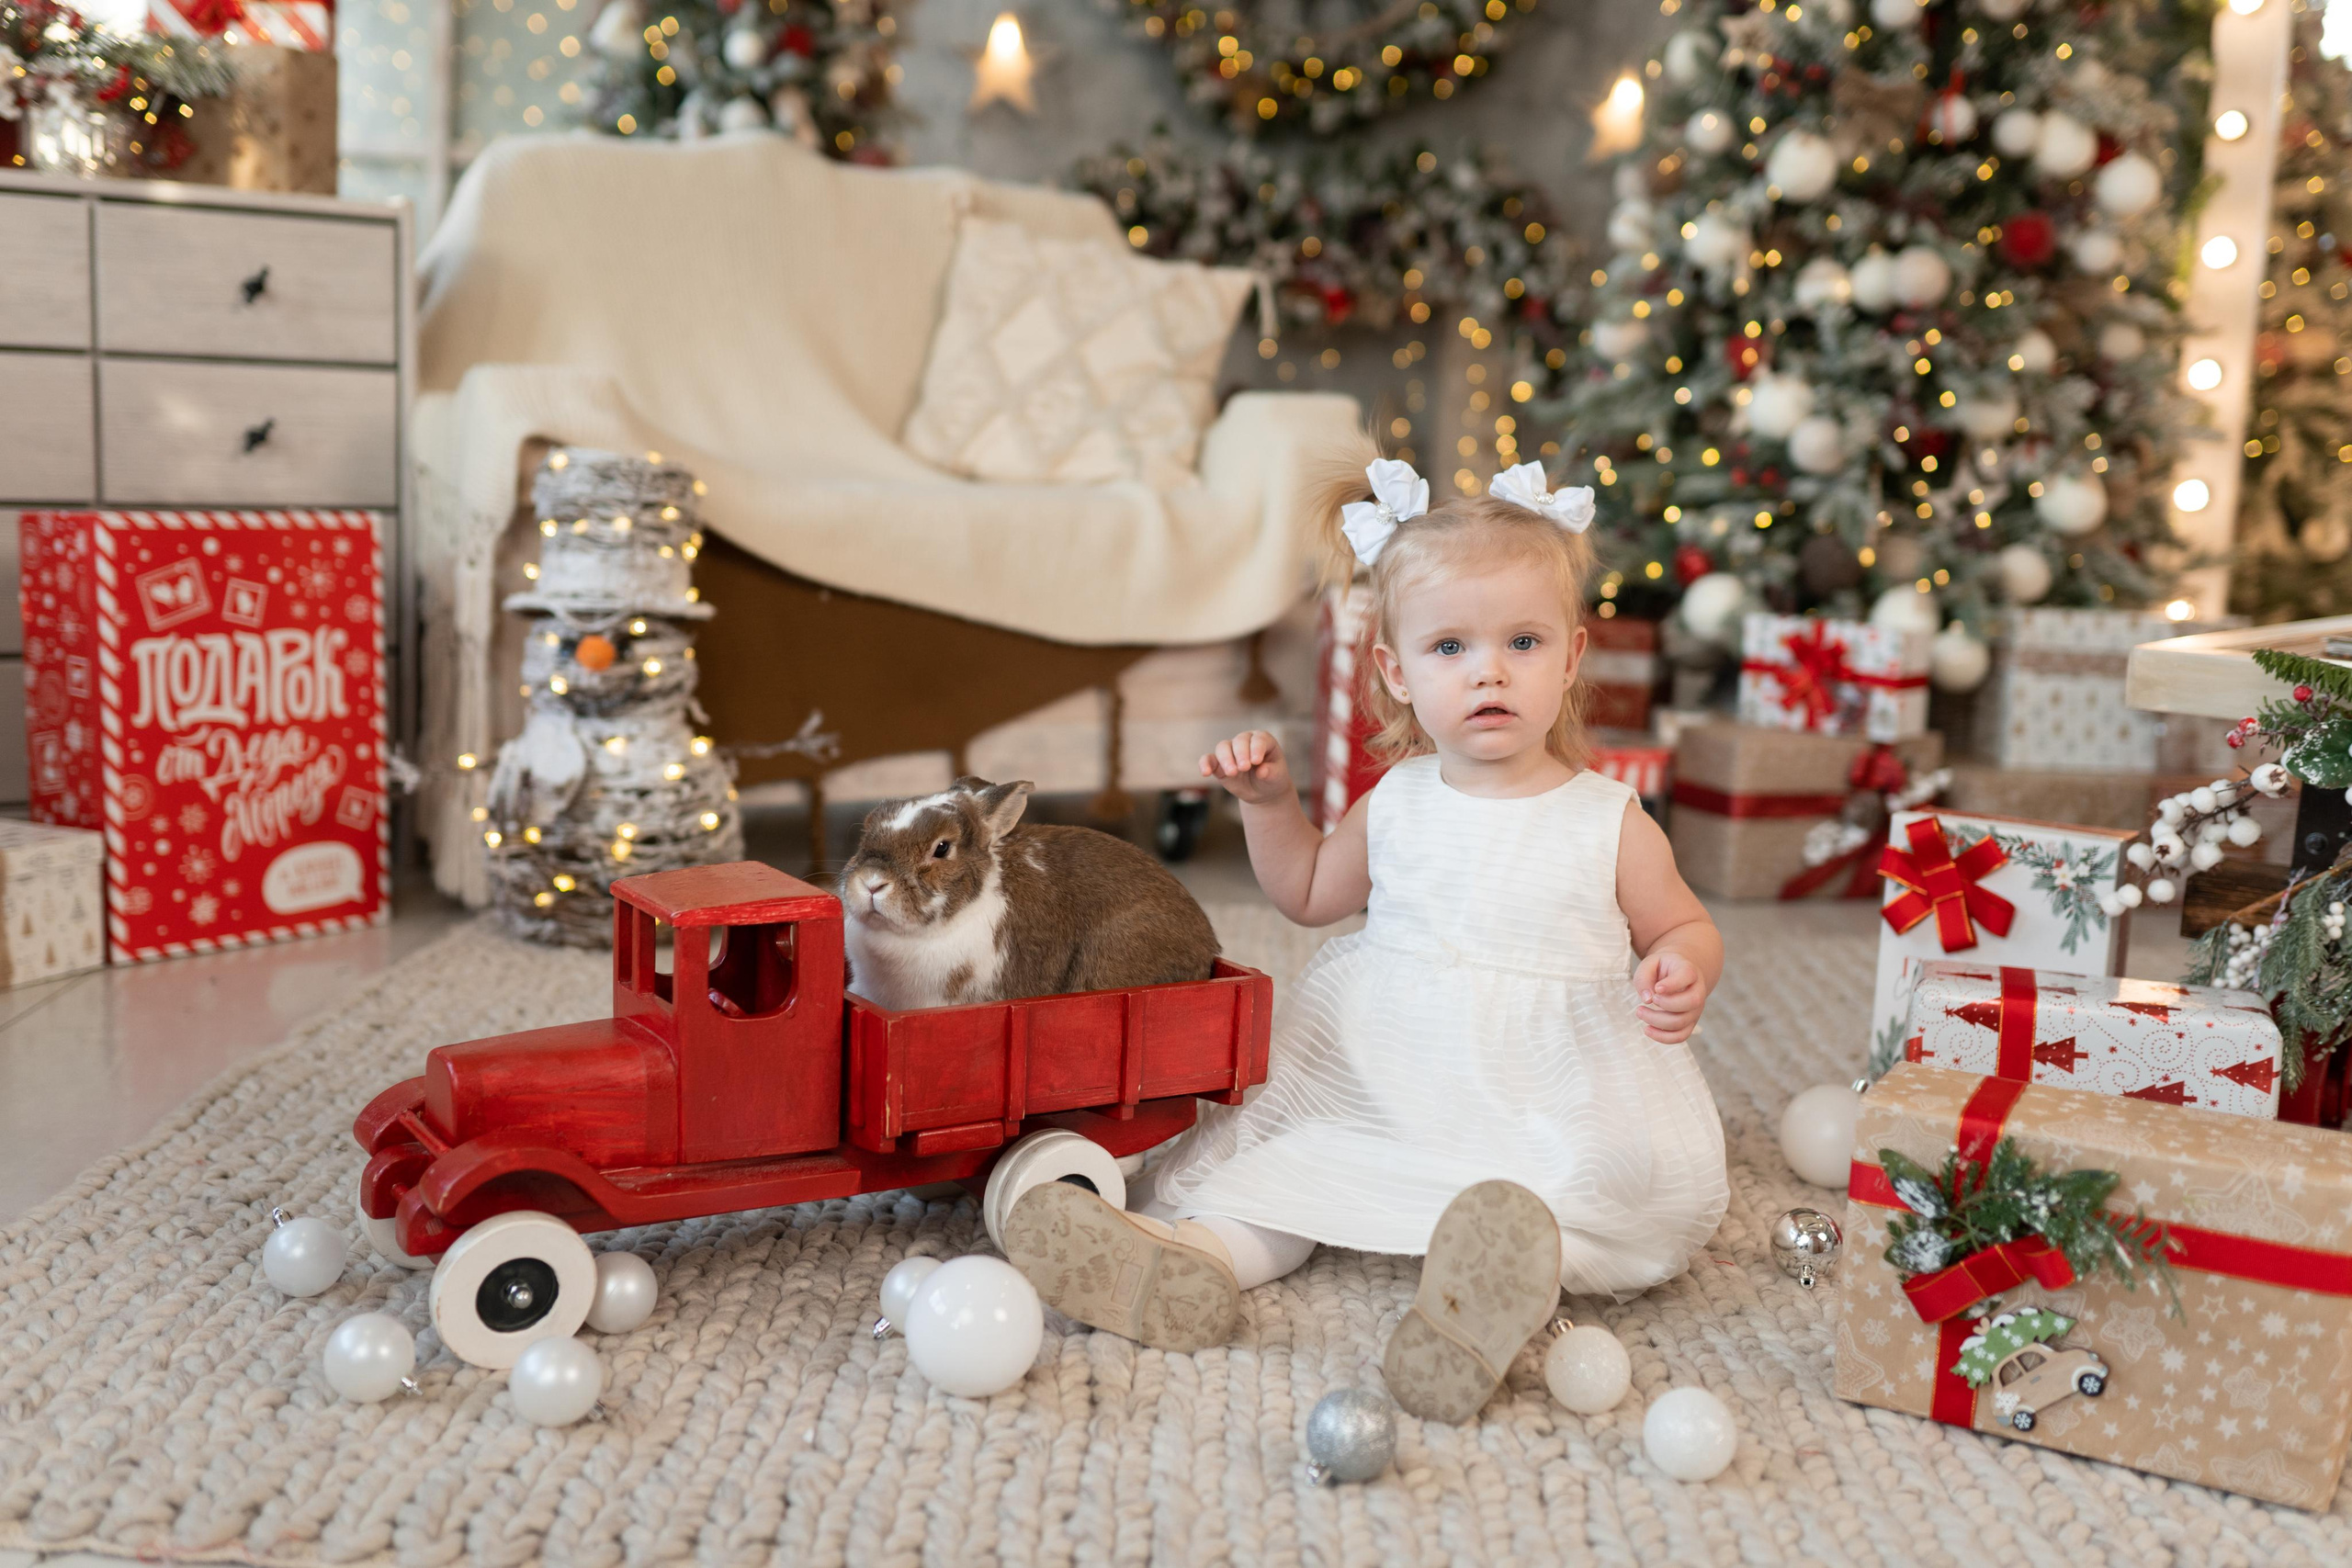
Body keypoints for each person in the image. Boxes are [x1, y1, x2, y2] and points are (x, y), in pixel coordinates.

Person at [1001, 440, 1728, 1423]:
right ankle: (1192, 1262)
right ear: (1394, 670)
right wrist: (1268, 803)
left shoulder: (1605, 817)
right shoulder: (1397, 800)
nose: (1490, 675)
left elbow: (1680, 920)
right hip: (1387, 1067)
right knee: (1293, 1161)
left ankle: (1473, 1312)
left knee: (1581, 1197)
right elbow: (1305, 891)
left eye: (1522, 643)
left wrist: (1682, 962)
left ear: (1570, 658)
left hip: (1542, 1084)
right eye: (1450, 649)